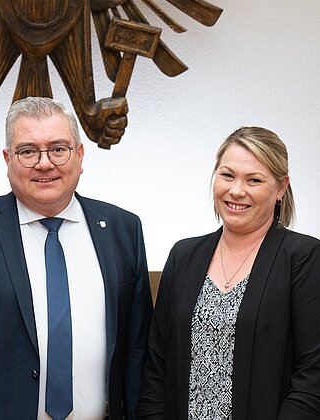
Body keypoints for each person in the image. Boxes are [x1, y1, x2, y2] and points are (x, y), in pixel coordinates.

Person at [0, 96, 153, 419]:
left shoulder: (123, 230)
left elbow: (139, 351)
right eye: (28, 151)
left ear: (80, 155)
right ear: (7, 159)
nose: (44, 163)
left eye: (58, 149)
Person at [138, 127, 320, 419]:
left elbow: (312, 378)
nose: (236, 190)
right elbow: (156, 369)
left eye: (254, 180)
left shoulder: (304, 258)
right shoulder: (183, 256)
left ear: (281, 188)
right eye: (227, 175)